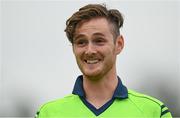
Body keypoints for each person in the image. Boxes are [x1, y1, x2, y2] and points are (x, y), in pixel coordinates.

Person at [36, 4, 172, 117]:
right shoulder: (48, 113)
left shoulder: (154, 112)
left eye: (99, 40)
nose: (89, 51)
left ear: (118, 44)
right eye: (81, 42)